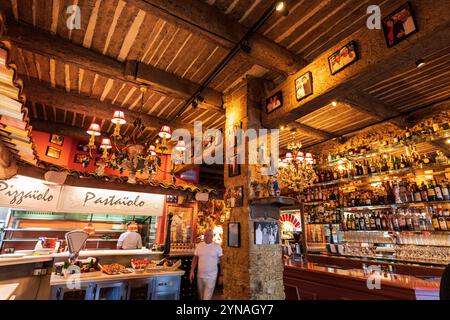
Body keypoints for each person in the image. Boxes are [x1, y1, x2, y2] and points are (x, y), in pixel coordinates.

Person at [190, 230, 223, 300]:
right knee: (201, 297)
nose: (206, 237)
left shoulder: (217, 247)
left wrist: (221, 275)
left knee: (206, 298)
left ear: (212, 236)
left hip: (211, 277)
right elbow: (195, 259)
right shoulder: (199, 246)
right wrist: (192, 271)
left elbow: (221, 262)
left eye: (208, 235)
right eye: (205, 235)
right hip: (200, 276)